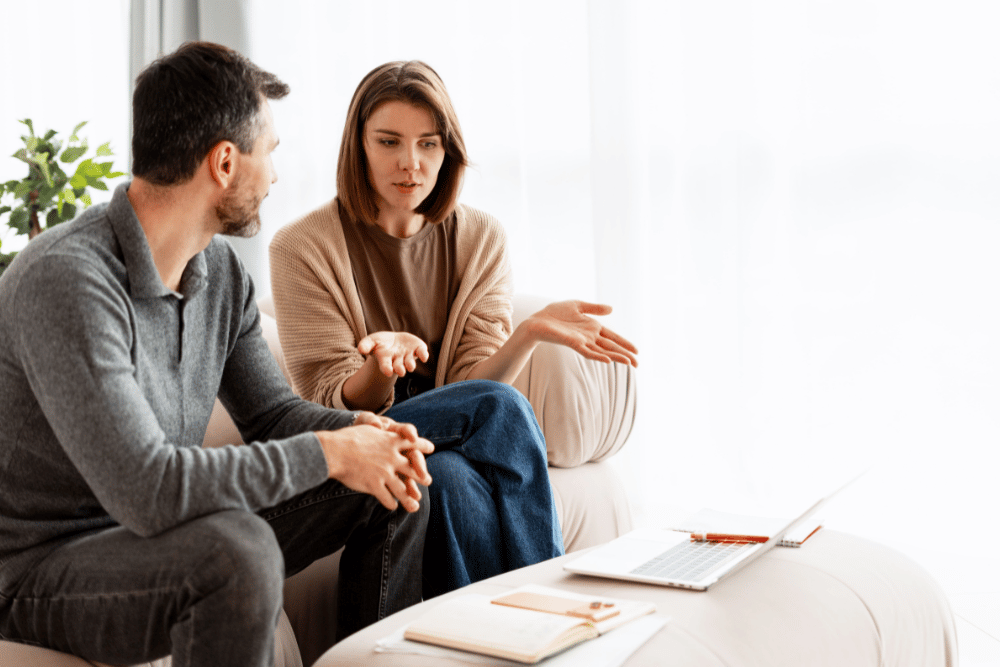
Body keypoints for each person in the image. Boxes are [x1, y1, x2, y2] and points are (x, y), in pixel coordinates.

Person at [0, 42, 435, 667]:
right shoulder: (68, 281)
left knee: (394, 478)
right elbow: (148, 489)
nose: (275, 176)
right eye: (269, 153)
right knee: (236, 552)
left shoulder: (221, 274)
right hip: (39, 569)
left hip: (155, 534)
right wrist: (330, 451)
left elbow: (274, 416)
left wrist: (361, 435)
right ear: (225, 162)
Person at [268, 60, 639, 597]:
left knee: (449, 479)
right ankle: (550, 599)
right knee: (502, 406)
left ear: (449, 151)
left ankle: (490, 633)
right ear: (358, 146)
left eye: (429, 144)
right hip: (358, 434)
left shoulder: (481, 238)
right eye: (389, 142)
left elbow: (468, 382)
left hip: (443, 441)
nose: (411, 163)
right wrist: (380, 366)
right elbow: (327, 399)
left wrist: (528, 333)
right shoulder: (301, 246)